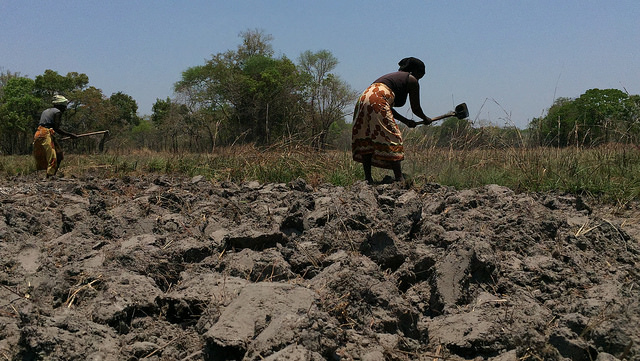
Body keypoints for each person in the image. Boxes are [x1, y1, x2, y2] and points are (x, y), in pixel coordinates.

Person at [351, 57, 432, 184]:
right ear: (416, 71)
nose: (420, 78)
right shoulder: (411, 80)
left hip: (363, 99)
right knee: (392, 136)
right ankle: (399, 179)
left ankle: (368, 179)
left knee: (367, 137)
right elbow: (416, 108)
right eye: (421, 75)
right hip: (378, 100)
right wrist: (425, 118)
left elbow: (387, 108)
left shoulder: (392, 78)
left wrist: (405, 121)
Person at [33, 95, 77, 177]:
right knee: (53, 156)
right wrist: (70, 135)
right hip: (45, 134)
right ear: (60, 105)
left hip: (39, 133)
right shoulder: (57, 112)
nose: (65, 108)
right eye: (64, 106)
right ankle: (50, 175)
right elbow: (56, 128)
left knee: (59, 154)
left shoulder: (46, 110)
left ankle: (51, 175)